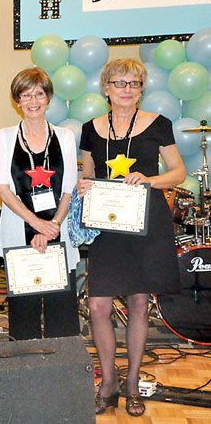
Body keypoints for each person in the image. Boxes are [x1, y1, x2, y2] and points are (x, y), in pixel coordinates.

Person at [78, 58, 185, 417]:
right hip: (109, 225)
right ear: (106, 87)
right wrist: (83, 185)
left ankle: (133, 383)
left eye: (134, 83)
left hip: (146, 224)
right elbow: (89, 176)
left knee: (140, 303)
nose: (127, 90)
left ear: (142, 89)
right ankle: (107, 382)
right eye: (120, 83)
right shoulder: (89, 129)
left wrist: (148, 179)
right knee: (98, 306)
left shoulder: (159, 124)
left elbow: (179, 173)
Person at [0, 67, 80, 340]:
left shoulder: (65, 136)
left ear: (48, 98)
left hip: (59, 230)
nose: (33, 101)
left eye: (39, 94)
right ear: (17, 100)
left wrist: (50, 227)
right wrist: (36, 224)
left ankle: (62, 374)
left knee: (61, 309)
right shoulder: (4, 137)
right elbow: (2, 188)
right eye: (26, 95)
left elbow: (69, 188)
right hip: (18, 232)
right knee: (23, 311)